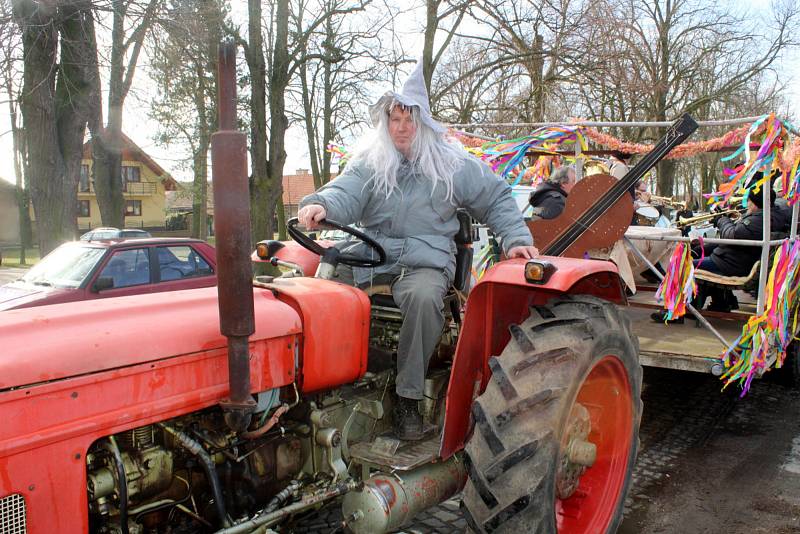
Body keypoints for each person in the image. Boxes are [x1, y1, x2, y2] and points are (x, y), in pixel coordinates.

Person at [297, 62, 538, 441]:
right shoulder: (372, 164)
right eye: (394, 119)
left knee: (425, 299)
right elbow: (344, 191)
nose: (402, 127)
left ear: (423, 122)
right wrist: (321, 205)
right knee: (320, 289)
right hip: (374, 257)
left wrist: (515, 238)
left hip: (425, 262)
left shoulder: (452, 165)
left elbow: (495, 196)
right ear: (385, 123)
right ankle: (329, 379)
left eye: (409, 119)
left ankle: (408, 396)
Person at [651, 183, 774, 322]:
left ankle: (673, 313)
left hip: (730, 264)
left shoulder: (757, 220)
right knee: (697, 257)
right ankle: (721, 303)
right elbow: (733, 236)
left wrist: (722, 220)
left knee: (682, 267)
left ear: (755, 203)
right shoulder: (760, 217)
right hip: (731, 260)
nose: (747, 204)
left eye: (749, 201)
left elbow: (732, 235)